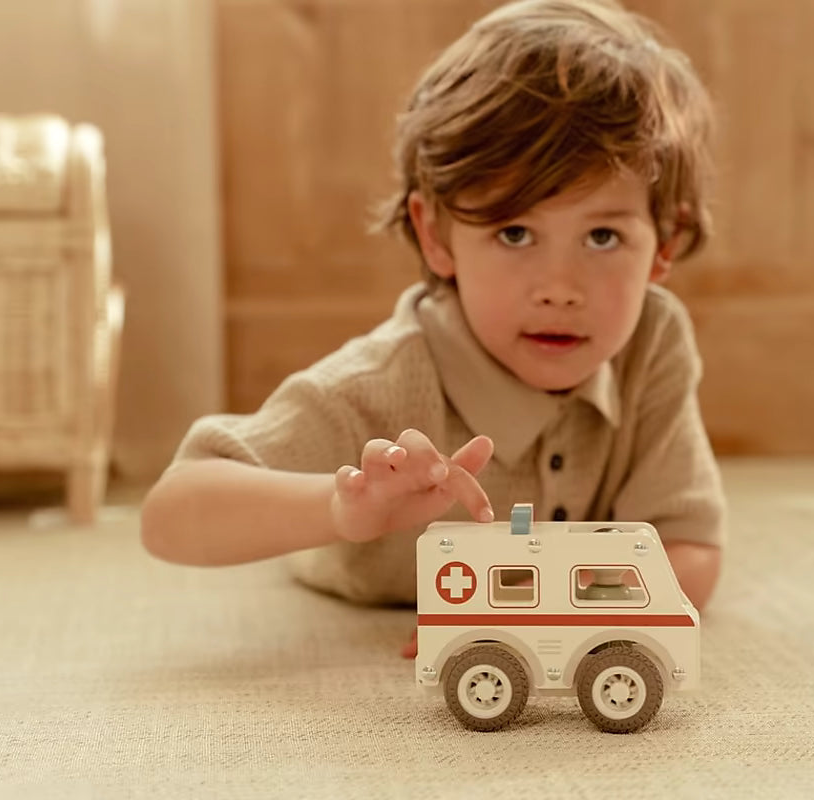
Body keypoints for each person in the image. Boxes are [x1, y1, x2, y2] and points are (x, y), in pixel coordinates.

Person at [140, 0, 727, 644]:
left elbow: (689, 547)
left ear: (665, 244)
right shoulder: (380, 384)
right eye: (514, 232)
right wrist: (340, 508)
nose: (559, 290)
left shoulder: (652, 342)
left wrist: (543, 616)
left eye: (603, 237)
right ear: (435, 234)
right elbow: (170, 513)